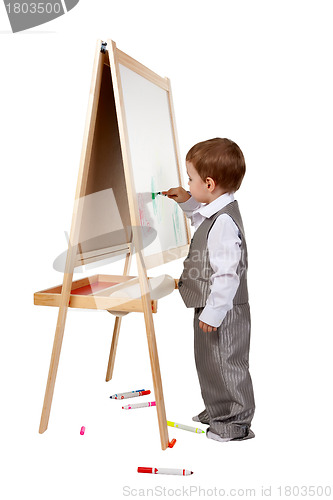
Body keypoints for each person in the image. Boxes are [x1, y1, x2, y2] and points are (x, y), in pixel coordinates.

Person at [162, 138, 255, 442]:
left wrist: (215, 312)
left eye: (191, 179)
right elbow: (201, 219)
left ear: (210, 183)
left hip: (223, 308)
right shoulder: (217, 210)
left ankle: (234, 423)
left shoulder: (225, 222)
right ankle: (217, 410)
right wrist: (187, 200)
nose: (187, 183)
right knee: (209, 361)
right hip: (212, 304)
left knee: (227, 362)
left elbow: (228, 274)